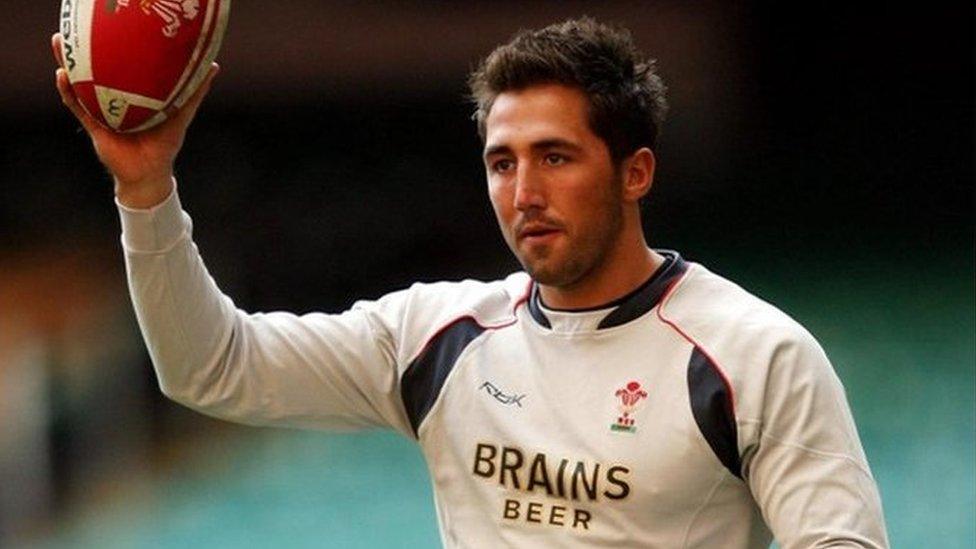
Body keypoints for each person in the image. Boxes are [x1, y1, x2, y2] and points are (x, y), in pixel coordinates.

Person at [52, 17, 889, 549]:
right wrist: (145, 189)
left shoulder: (756, 353)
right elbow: (208, 367)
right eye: (502, 162)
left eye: (555, 157)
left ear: (636, 172)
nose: (524, 192)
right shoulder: (437, 335)